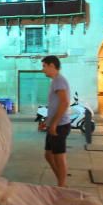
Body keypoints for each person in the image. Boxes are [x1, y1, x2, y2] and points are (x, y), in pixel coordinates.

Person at [41, 55, 71, 187]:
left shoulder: (59, 81)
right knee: (48, 155)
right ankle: (61, 180)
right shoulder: (55, 81)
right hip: (53, 124)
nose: (43, 70)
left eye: (44, 66)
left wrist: (54, 123)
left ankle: (62, 186)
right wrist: (47, 121)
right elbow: (55, 104)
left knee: (59, 156)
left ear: (52, 65)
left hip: (60, 125)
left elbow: (64, 102)